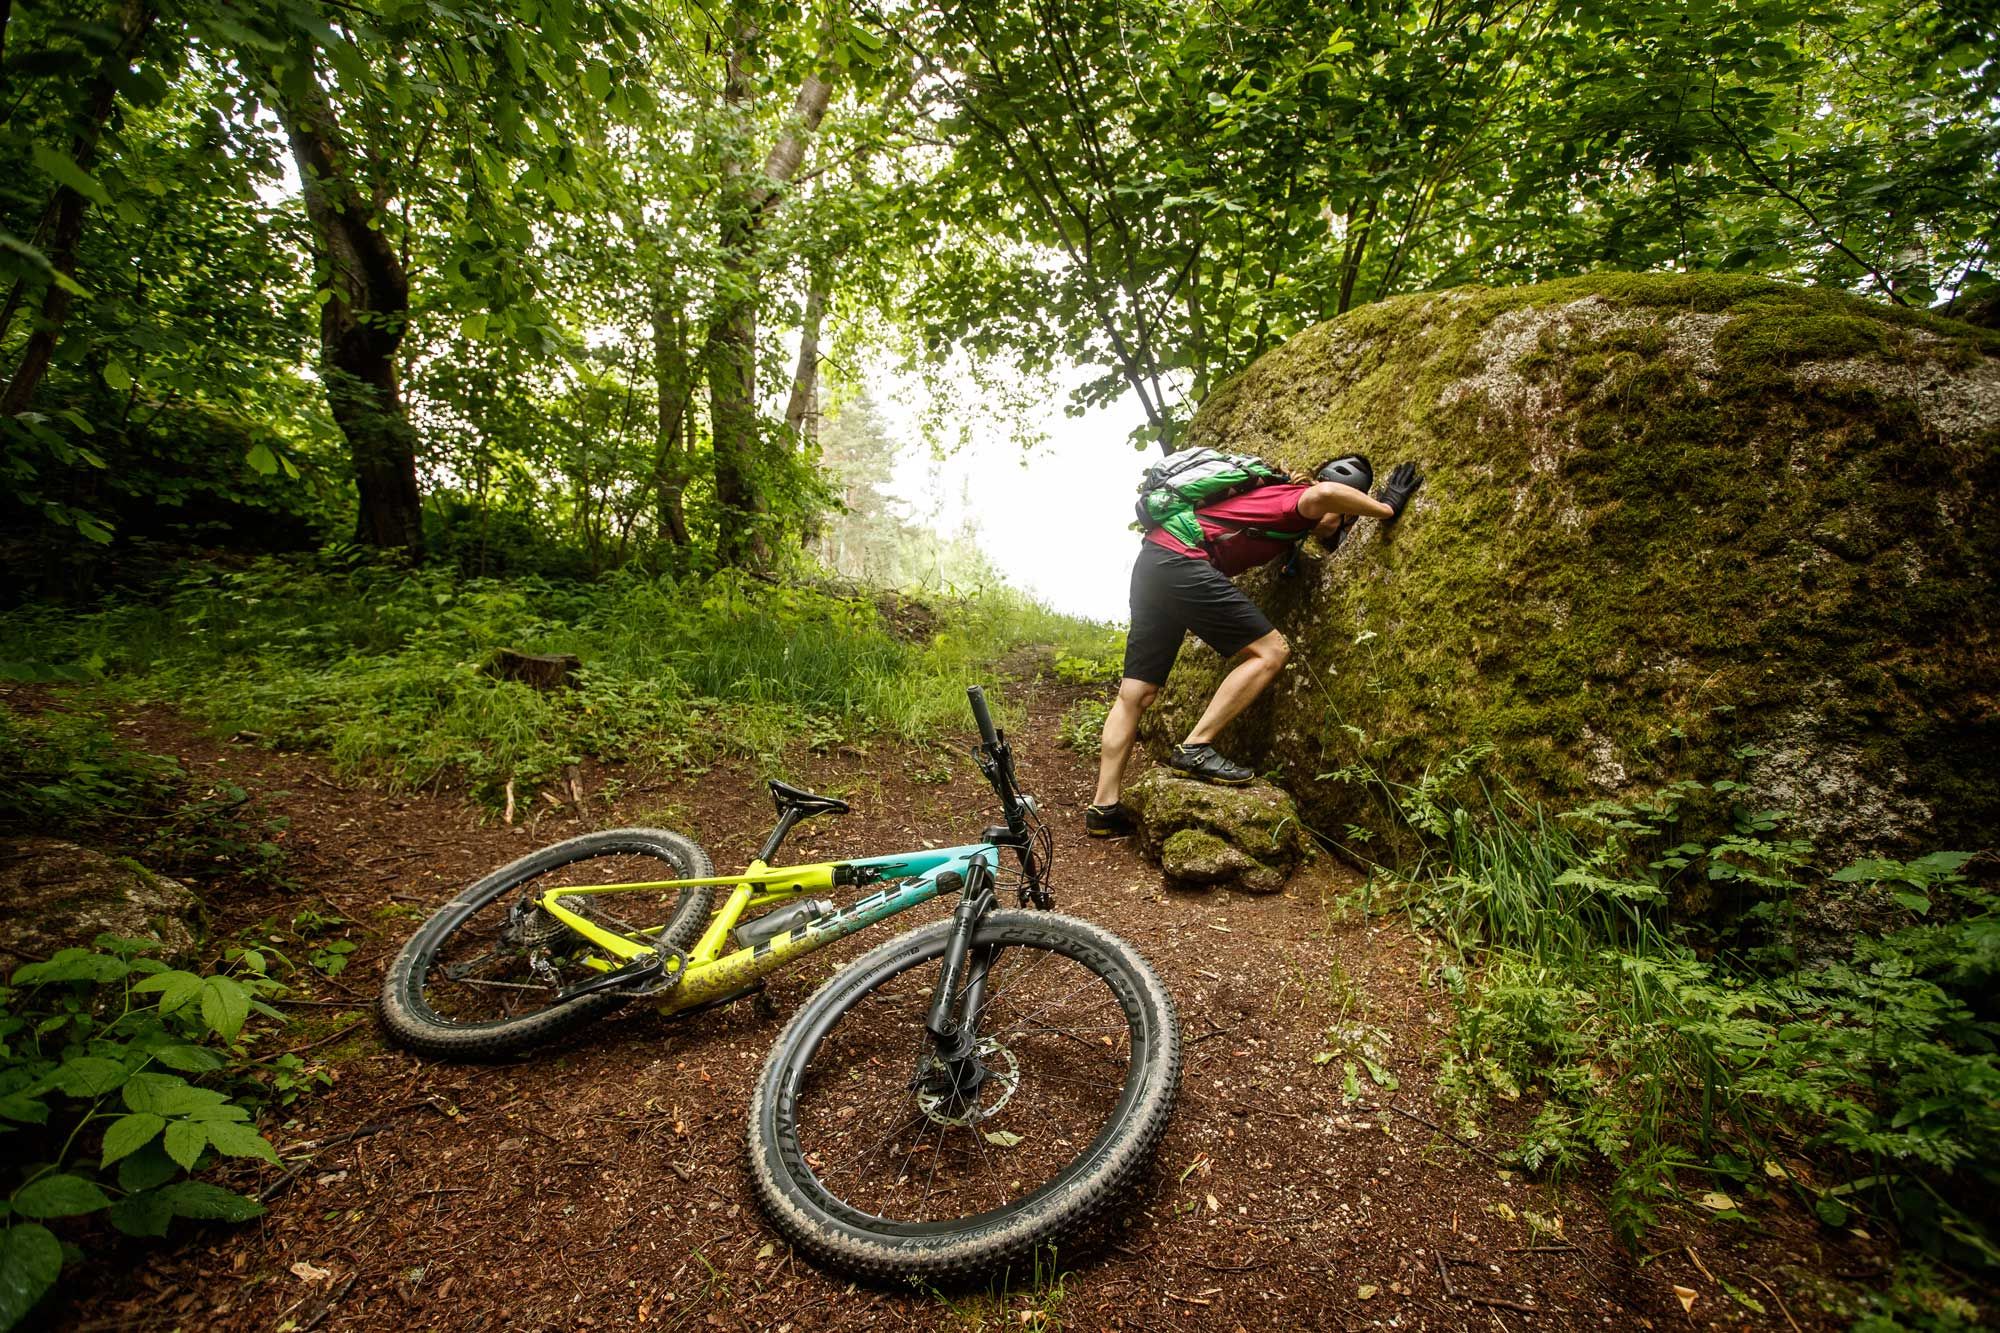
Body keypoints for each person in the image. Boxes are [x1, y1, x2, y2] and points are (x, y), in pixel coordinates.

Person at [1086, 454, 1422, 837]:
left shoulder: (1275, 507)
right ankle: (1196, 746)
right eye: (1347, 513)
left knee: (1136, 692)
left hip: (1154, 562)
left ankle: (1104, 807)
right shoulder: (1298, 499)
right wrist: (1385, 507)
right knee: (1272, 651)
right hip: (1182, 562)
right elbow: (1325, 493)